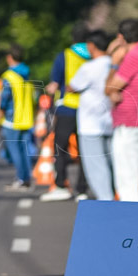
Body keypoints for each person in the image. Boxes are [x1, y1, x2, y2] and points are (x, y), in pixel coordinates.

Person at [40, 22, 91, 202]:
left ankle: (61, 184)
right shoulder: (94, 55)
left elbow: (54, 84)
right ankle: (83, 189)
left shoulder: (65, 55)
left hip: (67, 108)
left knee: (60, 147)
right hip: (89, 109)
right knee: (85, 149)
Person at [66, 30, 115, 201]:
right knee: (110, 164)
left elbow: (71, 86)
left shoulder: (89, 67)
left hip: (90, 124)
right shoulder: (113, 64)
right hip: (110, 121)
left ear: (91, 46)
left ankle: (106, 202)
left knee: (96, 167)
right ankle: (112, 197)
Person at [105, 18, 138, 202]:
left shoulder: (132, 55)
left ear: (121, 37)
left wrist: (113, 62)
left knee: (128, 174)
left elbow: (109, 88)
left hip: (130, 123)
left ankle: (134, 217)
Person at [0, 45, 35, 191]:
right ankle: (27, 179)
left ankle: (20, 179)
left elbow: (5, 97)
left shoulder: (9, 76)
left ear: (9, 58)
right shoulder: (27, 73)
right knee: (24, 150)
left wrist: (0, 112)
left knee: (14, 150)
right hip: (27, 116)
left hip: (12, 117)